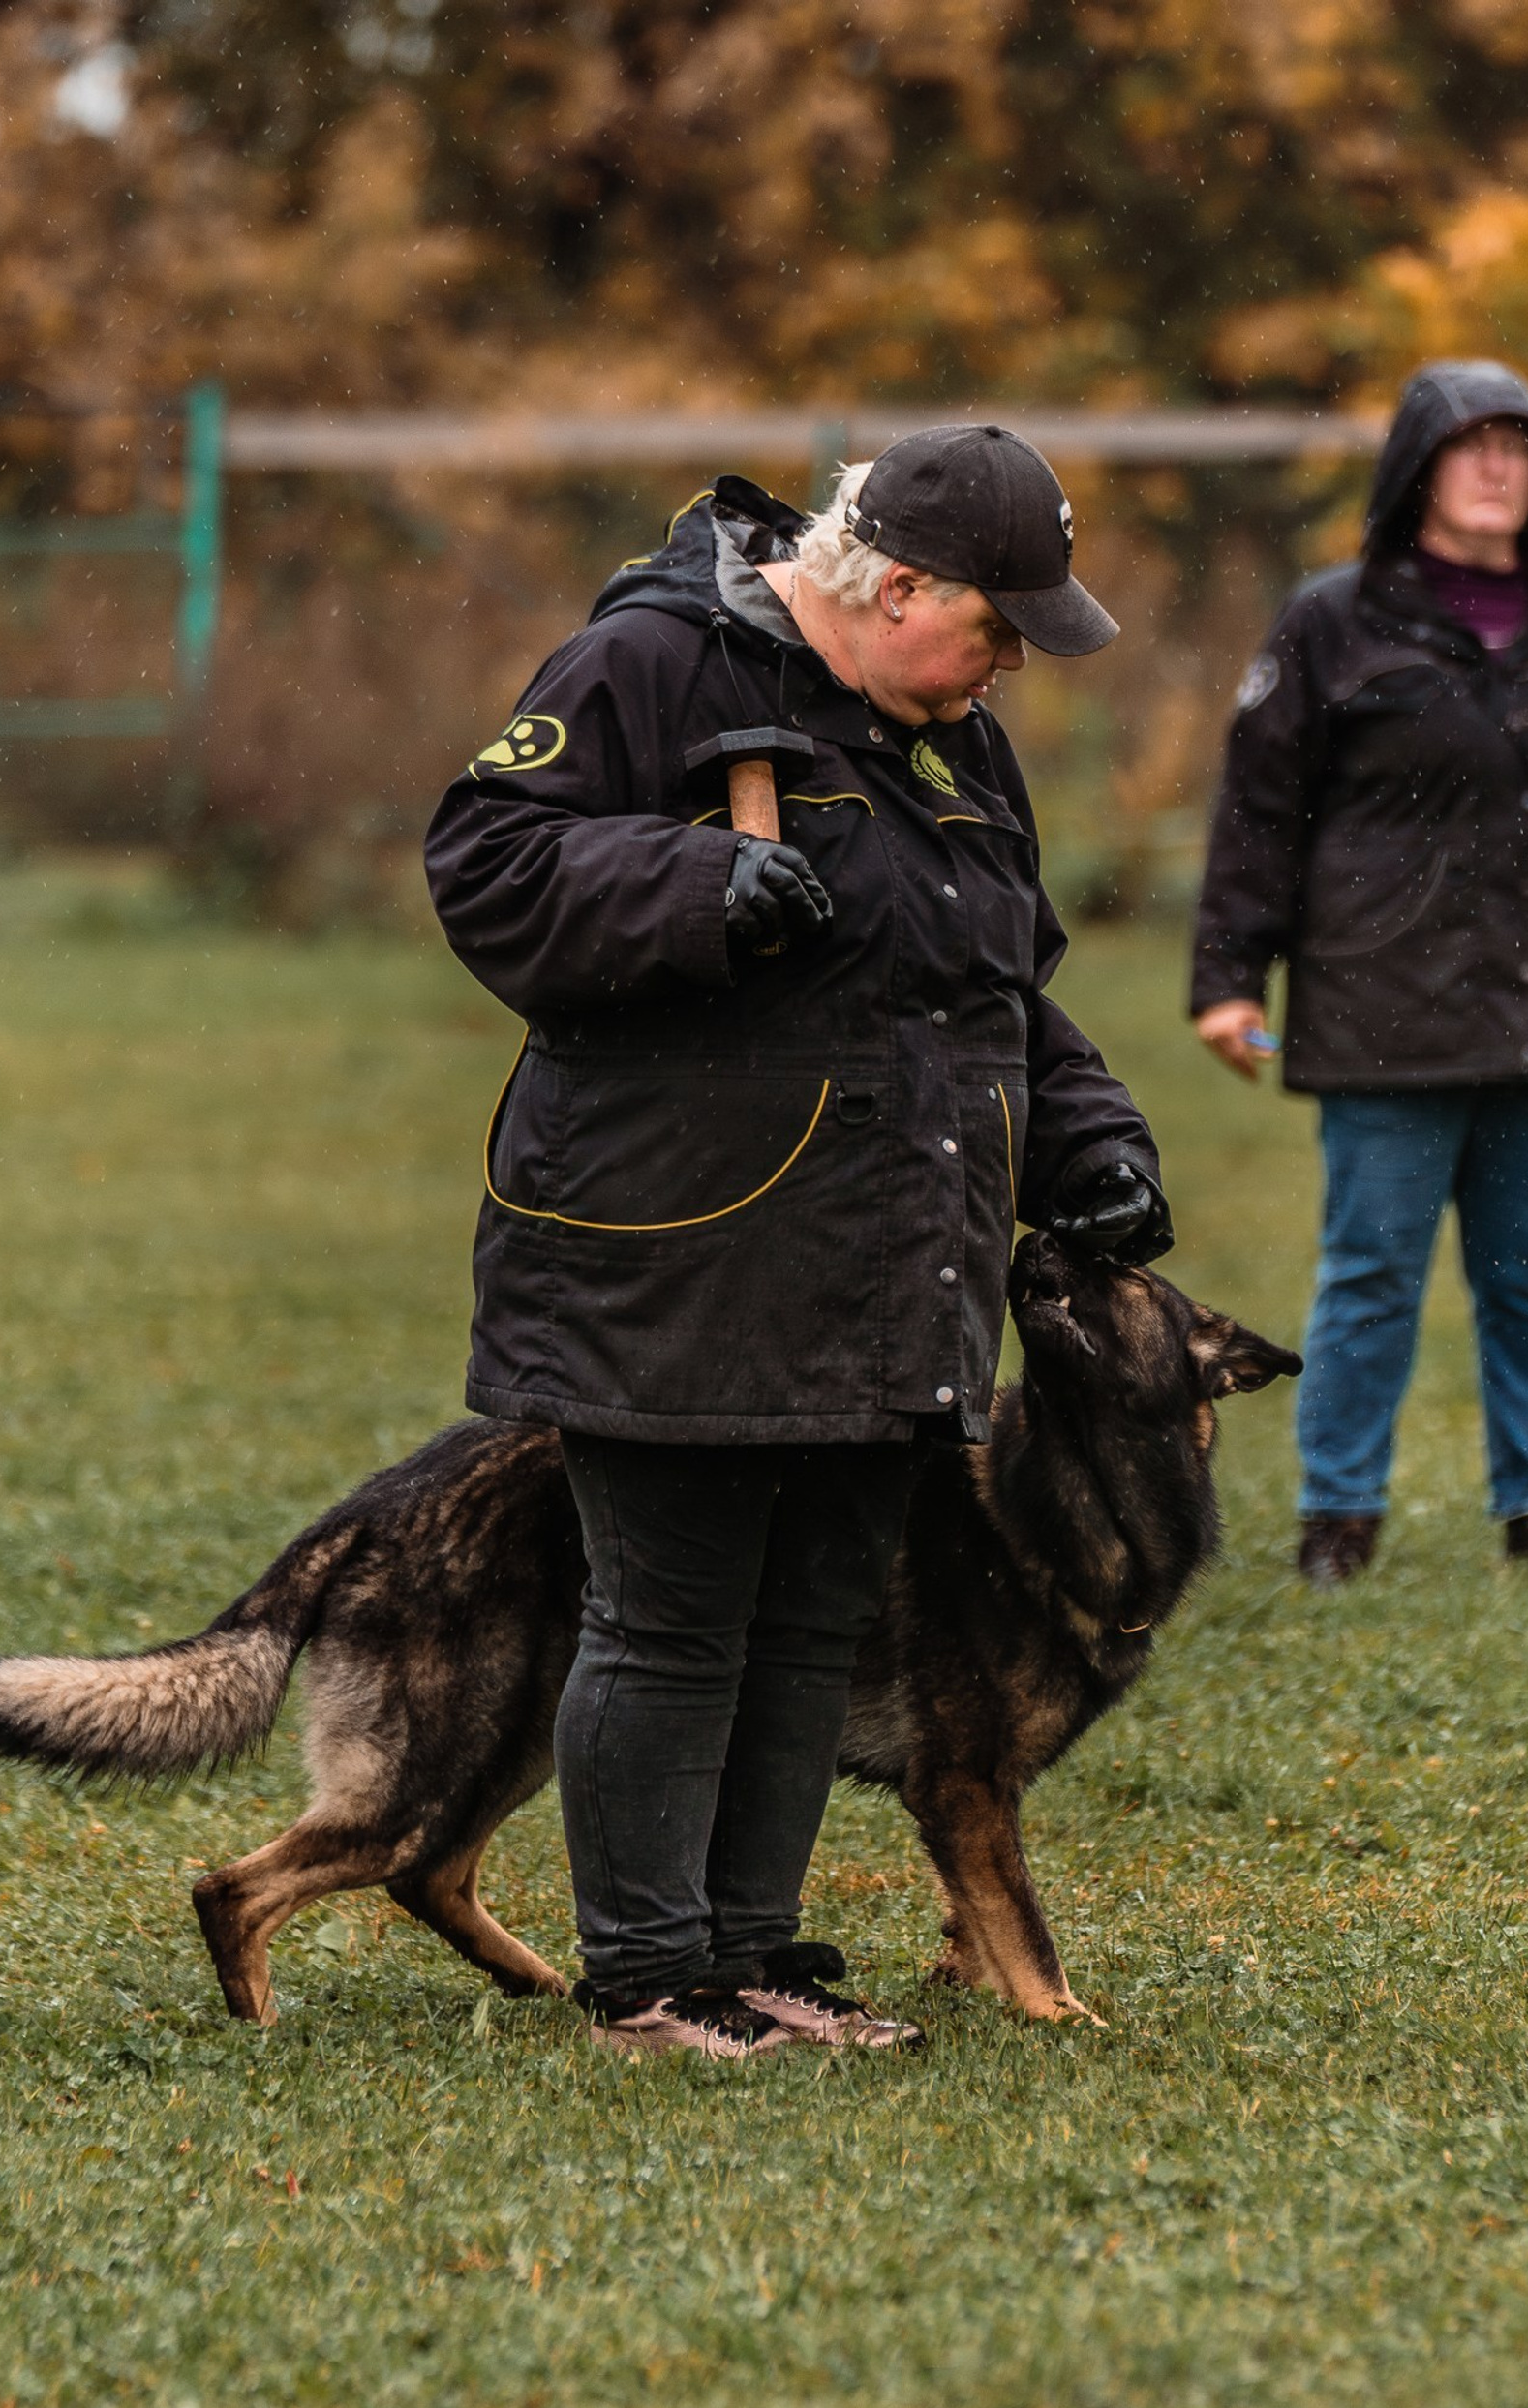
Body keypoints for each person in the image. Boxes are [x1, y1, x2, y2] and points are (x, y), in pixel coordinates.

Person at [426, 426, 1170, 2060]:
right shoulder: (654, 662)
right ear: (894, 581)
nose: (1006, 671)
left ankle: (752, 1960)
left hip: (886, 1267)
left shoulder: (957, 739)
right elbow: (483, 861)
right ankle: (645, 1982)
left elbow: (1002, 992)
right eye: (991, 627)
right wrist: (686, 885)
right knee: (673, 1613)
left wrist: (1098, 1148)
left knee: (811, 1618)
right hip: (675, 1251)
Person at [1188, 361, 1528, 1590]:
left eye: (1517, 448)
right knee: (1371, 1269)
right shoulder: (1334, 619)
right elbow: (1261, 809)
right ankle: (1337, 1520)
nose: (1494, 467)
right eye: (1469, 444)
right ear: (1417, 469)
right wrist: (1227, 976)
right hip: (1382, 1007)